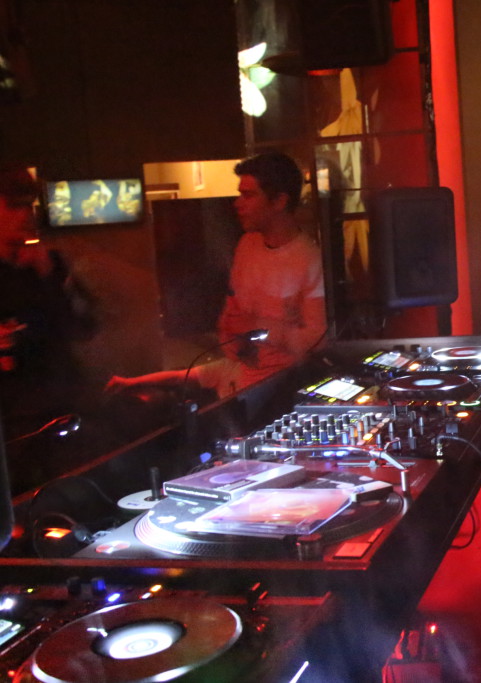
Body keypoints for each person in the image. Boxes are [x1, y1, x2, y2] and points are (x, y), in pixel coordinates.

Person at [106, 152, 327, 401]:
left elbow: (317, 340)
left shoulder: (309, 259)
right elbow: (232, 313)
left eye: (248, 195)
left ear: (279, 201)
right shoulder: (247, 245)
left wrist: (259, 327)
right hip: (241, 369)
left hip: (280, 388)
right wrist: (234, 338)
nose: (237, 203)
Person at [0, 164, 96, 490]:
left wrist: (49, 275)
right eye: (15, 206)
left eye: (29, 205)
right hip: (13, 417)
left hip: (63, 400)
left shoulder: (49, 262)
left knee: (74, 490)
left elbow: (85, 326)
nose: (25, 215)